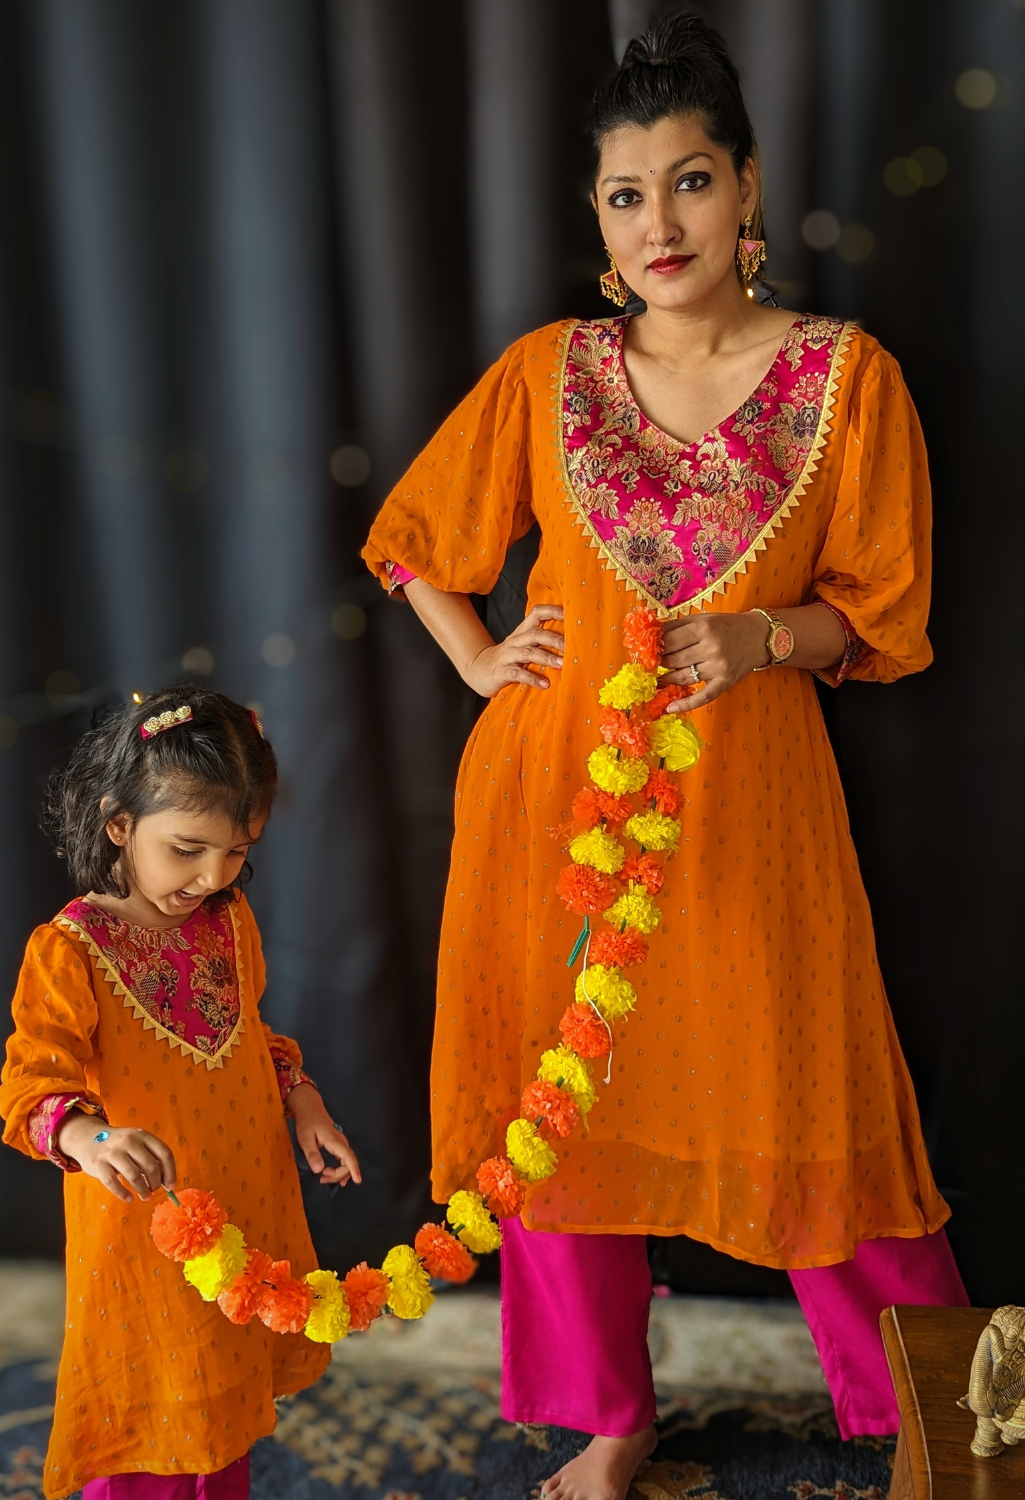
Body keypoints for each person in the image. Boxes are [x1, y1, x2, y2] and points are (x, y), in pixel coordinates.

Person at [363, 14, 968, 1500]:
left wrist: (762, 637)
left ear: (747, 186)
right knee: (562, 1114)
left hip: (753, 808)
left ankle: (958, 1422)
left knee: (823, 1100)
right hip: (550, 796)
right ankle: (607, 1417)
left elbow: (882, 614)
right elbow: (414, 538)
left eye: (690, 182)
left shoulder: (845, 378)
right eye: (626, 196)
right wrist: (478, 660)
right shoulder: (547, 373)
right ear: (596, 216)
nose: (660, 224)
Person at [0, 685, 361, 1500]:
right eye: (188, 849)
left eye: (236, 852)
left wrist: (303, 1101)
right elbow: (31, 1084)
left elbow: (250, 1034)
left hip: (246, 1199)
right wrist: (91, 1139)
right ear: (119, 824)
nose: (211, 876)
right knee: (153, 1420)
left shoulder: (230, 921)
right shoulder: (70, 950)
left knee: (226, 1402)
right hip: (146, 1234)